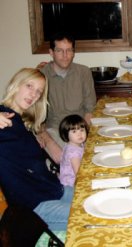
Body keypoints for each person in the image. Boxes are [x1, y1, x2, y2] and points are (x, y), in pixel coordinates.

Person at [0, 68, 73, 231]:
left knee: (96, 198)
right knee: (94, 217)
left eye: (39, 92)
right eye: (29, 86)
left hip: (53, 190)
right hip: (34, 207)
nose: (33, 94)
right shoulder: (3, 118)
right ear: (16, 85)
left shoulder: (20, 121)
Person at [38, 32, 97, 164]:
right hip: (53, 131)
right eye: (59, 51)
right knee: (66, 159)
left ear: (74, 52)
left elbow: (89, 110)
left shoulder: (83, 72)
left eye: (69, 50)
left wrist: (82, 136)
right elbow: (35, 118)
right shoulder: (40, 76)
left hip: (80, 128)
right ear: (51, 53)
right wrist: (50, 144)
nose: (65, 56)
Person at [58, 114, 89, 187]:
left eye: (82, 130)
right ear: (66, 134)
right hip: (71, 183)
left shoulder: (75, 144)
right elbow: (79, 173)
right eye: (74, 131)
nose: (79, 134)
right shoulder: (73, 153)